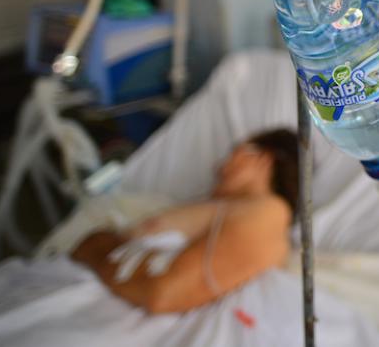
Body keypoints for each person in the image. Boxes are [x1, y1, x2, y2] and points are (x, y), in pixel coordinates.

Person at [71, 128, 299, 314]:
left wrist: (97, 247)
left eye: (234, 151)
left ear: (264, 157)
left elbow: (166, 293)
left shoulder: (269, 212)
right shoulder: (237, 210)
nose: (218, 167)